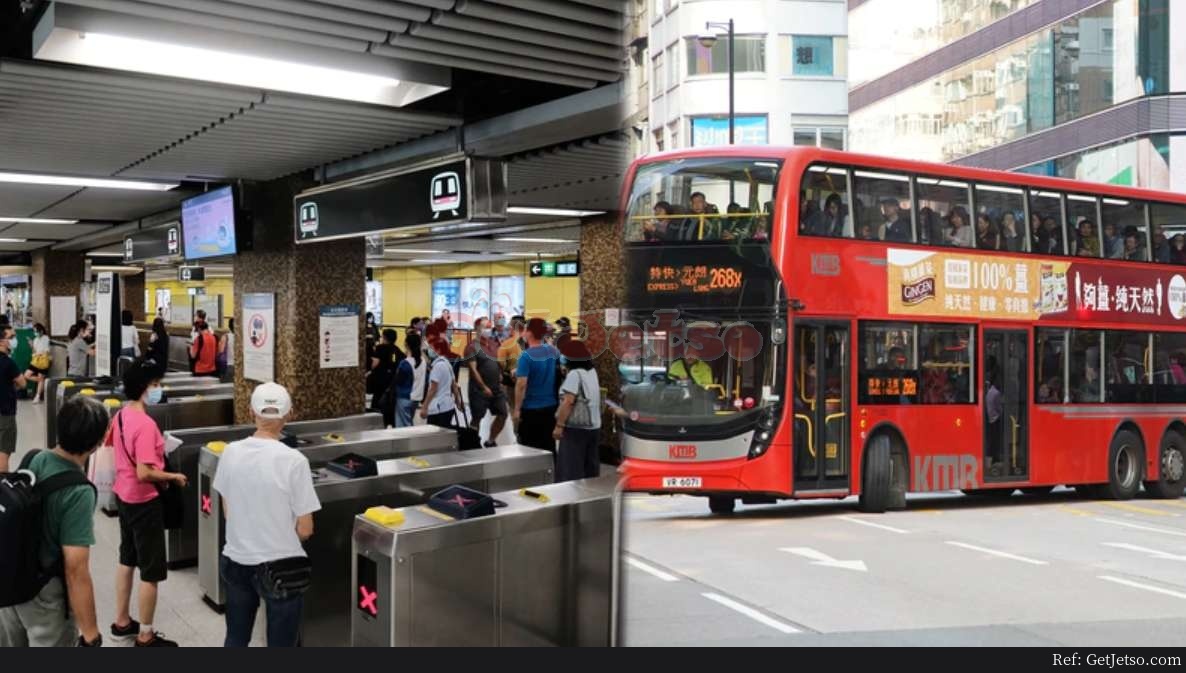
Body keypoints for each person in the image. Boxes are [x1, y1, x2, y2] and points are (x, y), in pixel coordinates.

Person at [215, 383, 319, 648]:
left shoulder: (230, 452)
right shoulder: (294, 461)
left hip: (237, 558)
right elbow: (305, 528)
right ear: (289, 414)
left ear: (251, 411)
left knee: (236, 638)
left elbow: (228, 509)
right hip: (282, 566)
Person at [0, 395, 109, 647]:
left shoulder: (34, 458)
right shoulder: (79, 491)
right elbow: (76, 569)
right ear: (98, 443)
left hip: (10, 580)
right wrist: (91, 634)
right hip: (43, 598)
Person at [110, 358, 185, 647]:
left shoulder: (121, 415)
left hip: (123, 496)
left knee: (126, 558)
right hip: (144, 502)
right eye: (155, 384)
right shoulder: (145, 423)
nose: (159, 388)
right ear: (143, 387)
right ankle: (145, 635)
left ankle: (121, 621)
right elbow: (144, 472)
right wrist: (173, 475)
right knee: (151, 571)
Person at [552, 338, 601, 482]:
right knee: (589, 468)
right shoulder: (592, 372)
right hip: (594, 426)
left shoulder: (574, 374)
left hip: (575, 428)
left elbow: (568, 402)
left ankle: (570, 501)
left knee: (570, 469)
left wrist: (559, 426)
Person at [514, 318, 561, 454]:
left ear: (529, 333)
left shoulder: (526, 356)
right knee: (548, 443)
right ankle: (551, 472)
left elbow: (522, 384)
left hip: (531, 408)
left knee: (530, 447)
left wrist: (517, 409)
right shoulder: (552, 351)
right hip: (551, 406)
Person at [465, 317, 508, 447]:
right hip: (479, 390)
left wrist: (501, 374)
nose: (488, 330)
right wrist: (483, 387)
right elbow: (473, 370)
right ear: (477, 329)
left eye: (489, 327)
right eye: (485, 327)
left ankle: (491, 440)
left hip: (496, 389)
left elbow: (499, 362)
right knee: (477, 418)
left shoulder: (494, 344)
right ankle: (472, 442)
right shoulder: (471, 347)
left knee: (503, 414)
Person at [418, 320, 463, 429]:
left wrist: (424, 407)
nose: (430, 350)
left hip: (438, 408)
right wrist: (458, 401)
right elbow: (454, 385)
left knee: (435, 437)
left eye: (433, 348)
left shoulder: (438, 366)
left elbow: (433, 389)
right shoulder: (446, 363)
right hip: (448, 406)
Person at [0, 326, 25, 474]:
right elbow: (22, 383)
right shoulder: (8, 363)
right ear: (2, 341)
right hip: (5, 413)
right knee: (3, 453)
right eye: (11, 337)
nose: (14, 340)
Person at [392, 332, 424, 427]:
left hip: (404, 397)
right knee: (408, 421)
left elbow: (399, 380)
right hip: (417, 397)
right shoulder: (423, 361)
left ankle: (407, 442)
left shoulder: (405, 363)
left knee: (403, 426)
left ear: (406, 345)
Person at [369, 329, 400, 426]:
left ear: (385, 337)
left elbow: (375, 363)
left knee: (377, 403)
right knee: (389, 404)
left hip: (380, 381)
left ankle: (377, 424)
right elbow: (394, 361)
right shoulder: (396, 350)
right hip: (391, 383)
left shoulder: (380, 348)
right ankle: (389, 421)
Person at [499, 316, 525, 411]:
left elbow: (501, 363)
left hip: (514, 382)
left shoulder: (507, 344)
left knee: (515, 410)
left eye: (510, 326)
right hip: (520, 382)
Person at [25, 322, 51, 404]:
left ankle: (37, 396)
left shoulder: (46, 338)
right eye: (34, 331)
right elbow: (35, 351)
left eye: (36, 331)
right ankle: (41, 381)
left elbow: (45, 351)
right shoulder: (35, 339)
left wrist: (37, 353)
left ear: (41, 331)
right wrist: (31, 345)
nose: (35, 333)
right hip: (35, 361)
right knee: (27, 375)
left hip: (43, 361)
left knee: (41, 377)